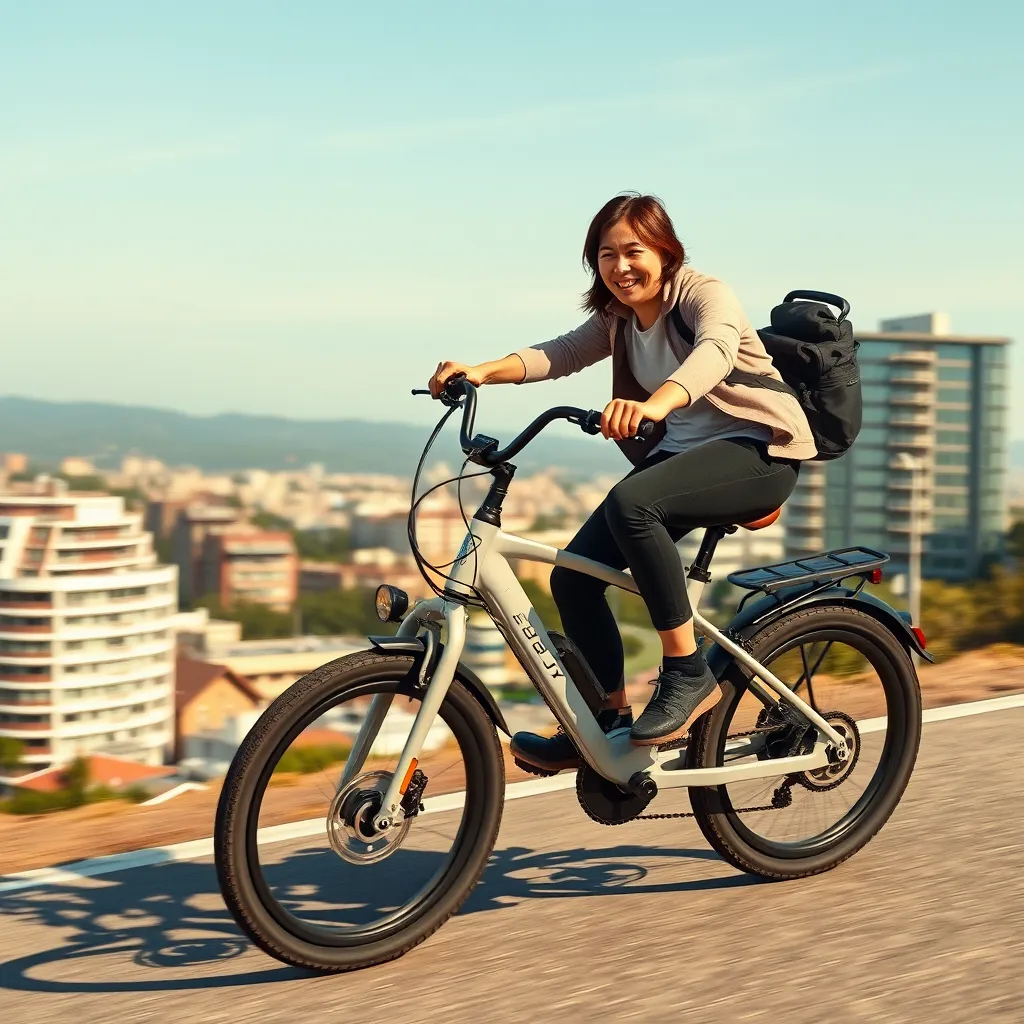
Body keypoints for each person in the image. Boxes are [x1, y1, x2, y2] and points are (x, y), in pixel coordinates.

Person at [427, 192, 816, 773]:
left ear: (665, 250)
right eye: (606, 255)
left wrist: (655, 406)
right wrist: (481, 370)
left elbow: (714, 354)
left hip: (761, 452)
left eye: (633, 251)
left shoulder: (705, 295)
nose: (620, 266)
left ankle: (687, 673)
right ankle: (602, 722)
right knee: (574, 578)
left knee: (634, 504)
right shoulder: (618, 317)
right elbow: (559, 353)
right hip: (682, 466)